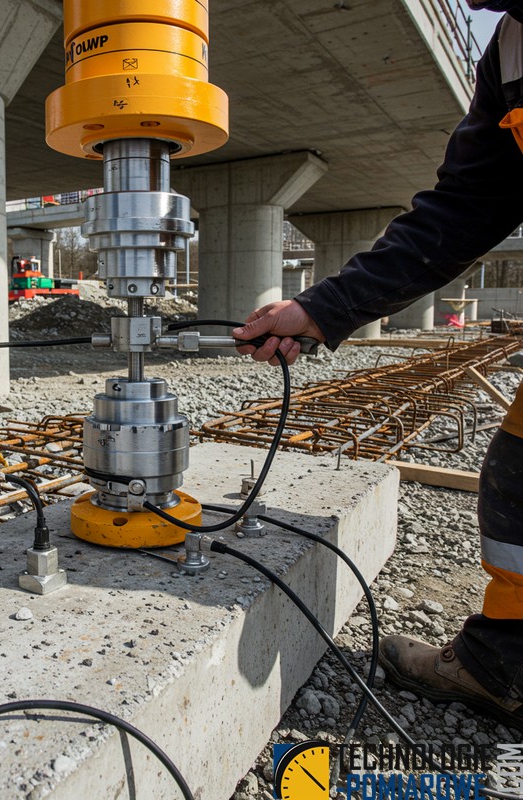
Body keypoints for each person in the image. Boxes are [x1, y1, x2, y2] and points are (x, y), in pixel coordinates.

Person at [233, 0, 523, 729]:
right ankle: (501, 667)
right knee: (518, 475)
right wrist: (321, 310)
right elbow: (463, 208)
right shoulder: (513, 51)